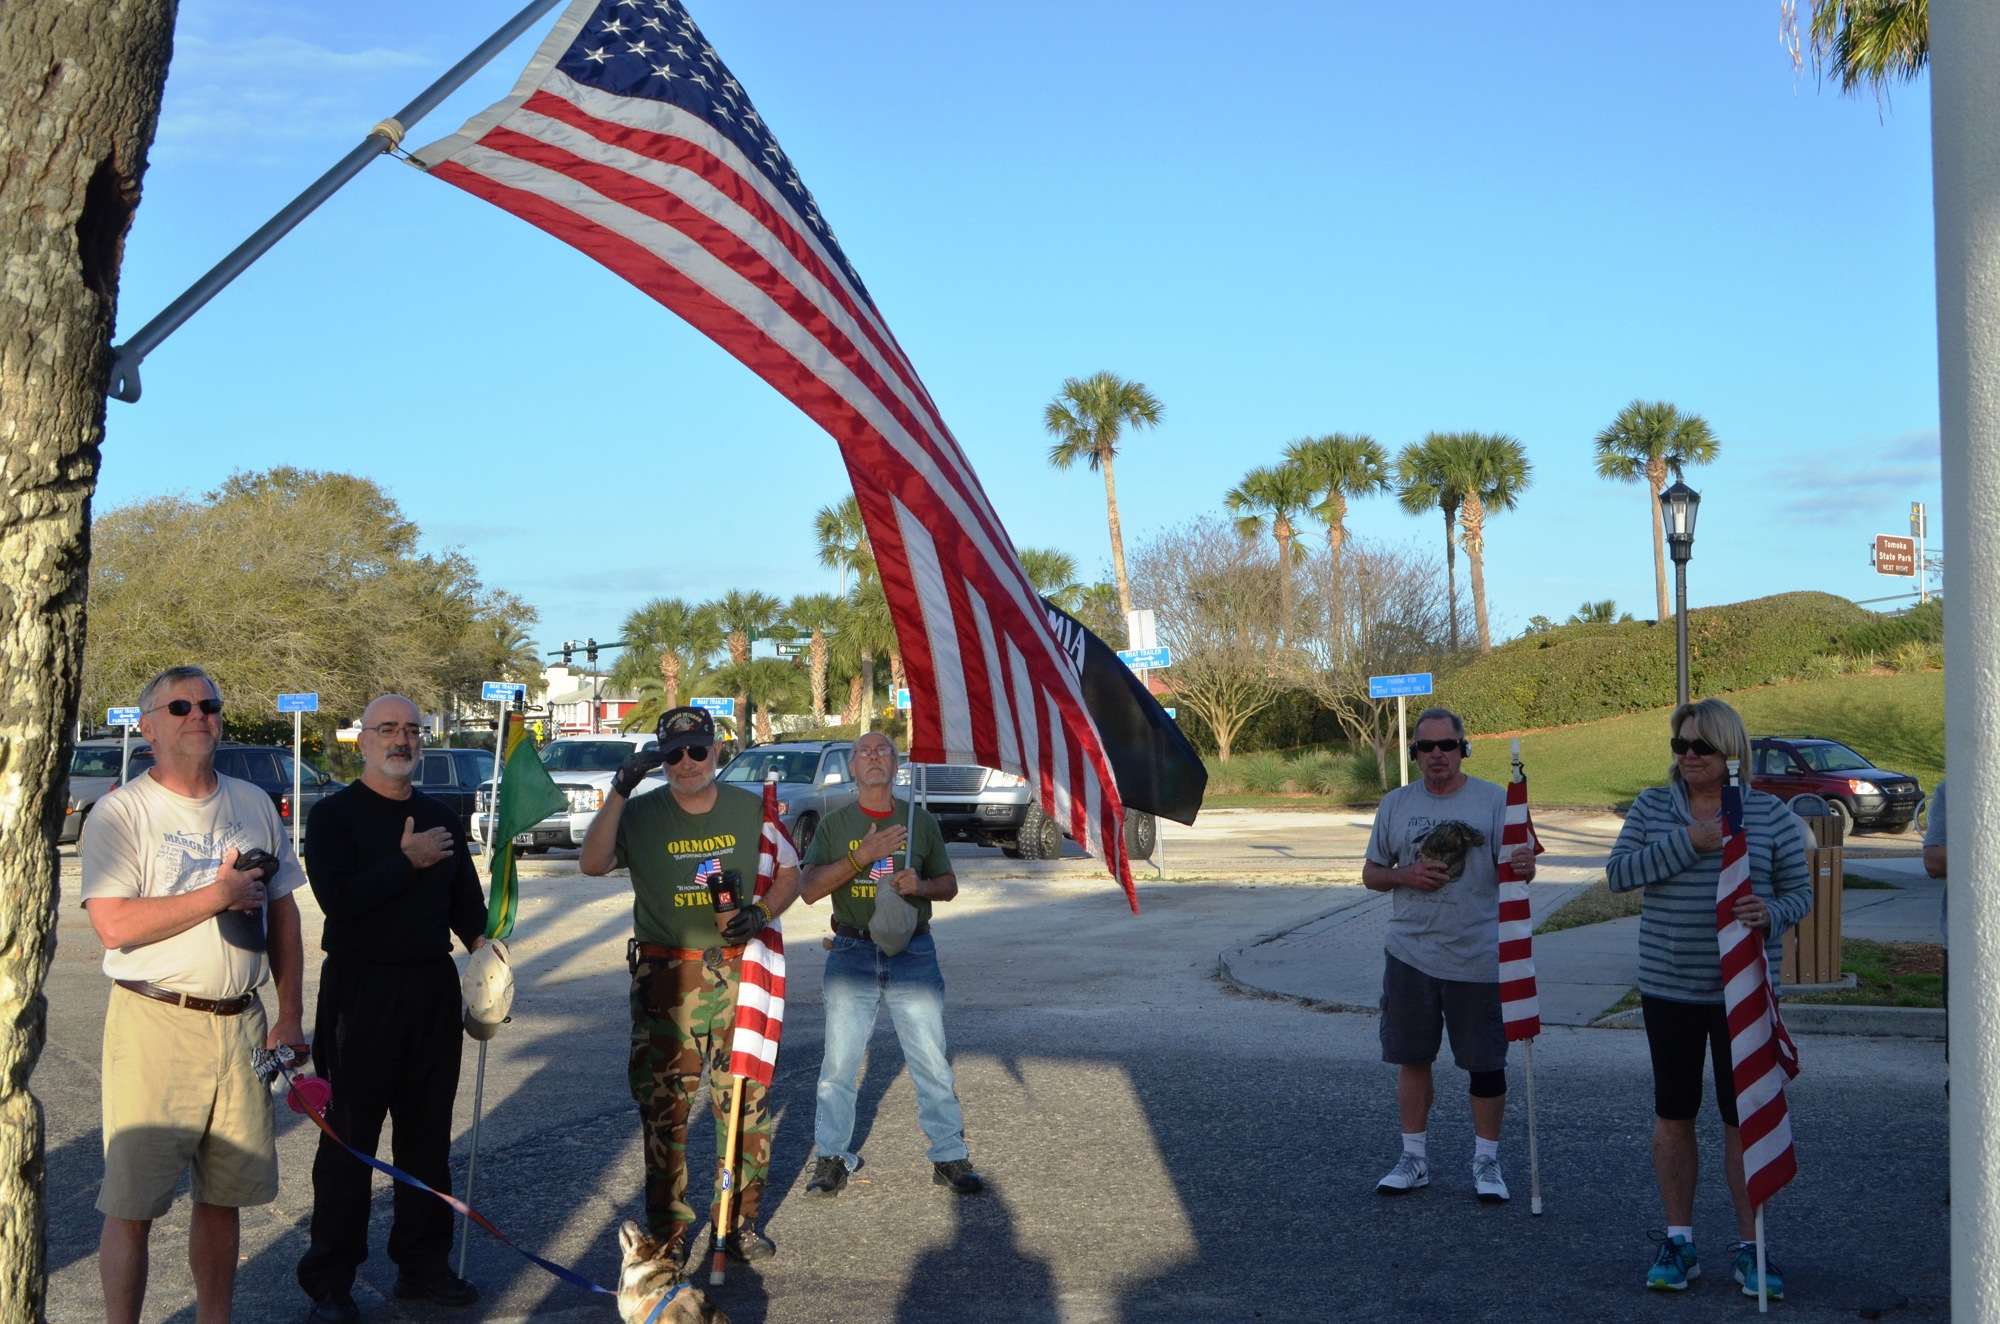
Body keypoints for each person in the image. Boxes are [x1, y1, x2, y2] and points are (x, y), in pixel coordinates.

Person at [81, 665, 307, 1324]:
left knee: (224, 1196)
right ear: (148, 725)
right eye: (178, 706)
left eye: (208, 704)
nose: (198, 715)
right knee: (132, 1203)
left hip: (242, 1024)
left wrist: (289, 1013)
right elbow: (113, 924)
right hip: (155, 1022)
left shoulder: (253, 803)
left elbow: (285, 914)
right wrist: (218, 895)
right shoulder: (122, 813)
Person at [581, 706, 801, 1265]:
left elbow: (792, 872)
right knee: (665, 1111)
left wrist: (763, 911)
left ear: (717, 752)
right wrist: (620, 789)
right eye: (672, 754)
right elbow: (592, 862)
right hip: (666, 979)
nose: (686, 763)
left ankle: (739, 1222)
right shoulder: (641, 811)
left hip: (737, 973)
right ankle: (671, 1233)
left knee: (745, 1104)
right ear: (660, 759)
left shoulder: (751, 809)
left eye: (697, 750)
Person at [1607, 698, 1812, 1299]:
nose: (1689, 757)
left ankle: (1754, 1248)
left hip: (1743, 991)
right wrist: (1691, 842)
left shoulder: (1769, 815)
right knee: (1674, 1115)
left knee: (1742, 1119)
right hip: (1670, 988)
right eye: (1681, 746)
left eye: (1701, 747)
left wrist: (1770, 912)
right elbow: (1619, 875)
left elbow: (1800, 893)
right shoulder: (1651, 806)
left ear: (1731, 753)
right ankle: (1680, 1241)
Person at [295, 695, 489, 1321]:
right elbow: (340, 902)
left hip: (430, 989)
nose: (401, 739)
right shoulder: (334, 817)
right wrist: (407, 862)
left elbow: (467, 909)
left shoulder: (440, 815)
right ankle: (331, 1281)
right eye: (388, 729)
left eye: (412, 729)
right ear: (363, 742)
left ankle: (422, 1267)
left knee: (428, 1139)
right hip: (360, 990)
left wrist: (489, 952)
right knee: (350, 1141)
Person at [797, 731, 984, 1199]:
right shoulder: (835, 825)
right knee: (838, 1065)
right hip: (851, 952)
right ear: (853, 769)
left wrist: (920, 887)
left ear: (897, 766)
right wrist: (863, 856)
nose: (874, 756)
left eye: (883, 750)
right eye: (864, 752)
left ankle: (948, 1156)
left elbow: (949, 885)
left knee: (931, 1060)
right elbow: (810, 888)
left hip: (913, 953)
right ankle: (832, 1157)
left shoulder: (919, 821)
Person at [1361, 707, 1534, 1204]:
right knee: (1412, 1058)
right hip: (1410, 952)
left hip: (1478, 953)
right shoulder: (1395, 804)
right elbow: (1372, 873)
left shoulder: (1494, 801)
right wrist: (1404, 875)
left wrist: (1524, 866)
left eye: (1447, 745)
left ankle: (1487, 1162)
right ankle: (1413, 1159)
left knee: (1484, 1063)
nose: (1437, 755)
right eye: (1425, 747)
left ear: (1464, 748)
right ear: (1414, 753)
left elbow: (1521, 867)